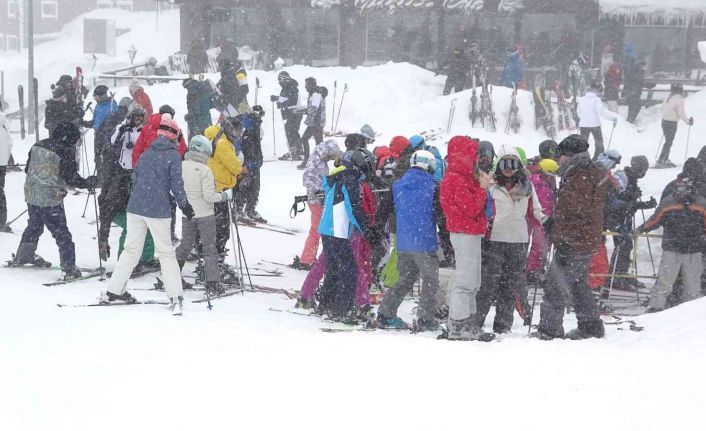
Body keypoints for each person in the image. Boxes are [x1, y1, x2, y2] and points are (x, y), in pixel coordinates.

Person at [100, 115, 195, 315]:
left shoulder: (146, 153)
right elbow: (176, 186)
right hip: (157, 210)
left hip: (135, 207)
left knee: (131, 250)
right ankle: (175, 296)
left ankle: (114, 291)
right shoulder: (173, 156)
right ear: (173, 135)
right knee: (167, 254)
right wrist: (185, 206)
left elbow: (136, 177)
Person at [534, 135, 607, 340]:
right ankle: (590, 325)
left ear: (570, 155)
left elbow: (575, 211)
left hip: (574, 241)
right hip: (584, 239)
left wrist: (561, 232)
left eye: (562, 156)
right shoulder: (589, 172)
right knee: (577, 284)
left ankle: (549, 330)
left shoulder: (580, 176)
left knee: (555, 284)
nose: (559, 161)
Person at [12, 123, 98, 278]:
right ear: (69, 138)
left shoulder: (38, 145)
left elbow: (27, 169)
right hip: (50, 198)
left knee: (34, 225)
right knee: (62, 234)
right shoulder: (64, 151)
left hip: (31, 193)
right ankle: (69, 268)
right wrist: (86, 182)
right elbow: (70, 177)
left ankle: (25, 255)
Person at [476, 148, 546, 333]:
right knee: (488, 284)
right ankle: (476, 321)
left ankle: (503, 325)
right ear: (498, 165)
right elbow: (480, 208)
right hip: (495, 240)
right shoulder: (490, 185)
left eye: (513, 164)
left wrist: (547, 221)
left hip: (519, 241)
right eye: (504, 164)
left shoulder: (527, 187)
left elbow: (535, 211)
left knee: (509, 285)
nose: (508, 169)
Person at [376, 150, 440, 331]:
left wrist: (376, 229)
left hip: (403, 241)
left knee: (405, 278)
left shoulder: (398, 184)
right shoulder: (433, 186)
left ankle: (385, 313)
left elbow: (384, 209)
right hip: (424, 241)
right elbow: (440, 215)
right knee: (430, 280)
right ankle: (425, 318)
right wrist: (445, 237)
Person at [439, 136, 494, 341]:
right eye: (474, 155)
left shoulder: (461, 177)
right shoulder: (455, 178)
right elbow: (471, 208)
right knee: (465, 281)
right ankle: (458, 324)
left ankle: (467, 323)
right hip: (464, 232)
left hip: (469, 232)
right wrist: (482, 188)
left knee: (473, 280)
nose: (478, 159)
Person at [636, 173, 706, 313]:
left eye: (683, 187)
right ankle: (655, 307)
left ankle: (690, 313)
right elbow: (655, 220)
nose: (680, 190)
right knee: (664, 281)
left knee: (693, 286)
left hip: (693, 250)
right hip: (672, 249)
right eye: (679, 187)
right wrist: (641, 229)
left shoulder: (701, 203)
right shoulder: (669, 202)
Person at [97, 106, 156, 270]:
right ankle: (125, 261)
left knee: (147, 225)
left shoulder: (144, 131)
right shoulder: (123, 130)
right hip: (120, 204)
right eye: (135, 118)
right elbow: (107, 207)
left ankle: (146, 257)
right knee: (132, 227)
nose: (137, 121)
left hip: (137, 170)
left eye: (140, 118)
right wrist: (103, 238)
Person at [316, 151, 369, 321]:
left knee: (333, 268)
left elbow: (327, 188)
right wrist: (366, 229)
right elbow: (353, 208)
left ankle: (326, 304)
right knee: (349, 271)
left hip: (327, 228)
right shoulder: (350, 180)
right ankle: (341, 310)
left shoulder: (337, 177)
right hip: (337, 230)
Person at [176, 135, 232, 295]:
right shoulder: (205, 170)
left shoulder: (181, 165)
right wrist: (224, 196)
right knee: (209, 247)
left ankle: (173, 275)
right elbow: (209, 196)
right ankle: (212, 282)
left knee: (185, 245)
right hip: (205, 214)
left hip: (188, 213)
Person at [604, 155, 655, 291]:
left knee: (627, 245)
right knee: (623, 245)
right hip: (616, 217)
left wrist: (643, 204)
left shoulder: (632, 178)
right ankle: (615, 277)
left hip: (624, 216)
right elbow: (613, 197)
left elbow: (630, 204)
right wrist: (630, 201)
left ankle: (621, 273)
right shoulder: (624, 176)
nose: (643, 173)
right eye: (643, 169)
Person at [292, 139, 341, 271]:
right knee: (317, 230)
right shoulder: (316, 160)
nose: (331, 159)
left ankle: (308, 258)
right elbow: (308, 178)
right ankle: (307, 259)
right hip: (316, 201)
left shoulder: (320, 159)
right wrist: (319, 192)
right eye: (331, 156)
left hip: (317, 199)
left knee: (317, 230)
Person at [203, 118, 244, 257]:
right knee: (222, 227)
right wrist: (240, 165)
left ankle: (208, 252)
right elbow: (235, 167)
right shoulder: (223, 144)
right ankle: (216, 257)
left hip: (212, 185)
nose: (237, 135)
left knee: (212, 223)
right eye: (236, 131)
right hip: (221, 188)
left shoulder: (213, 137)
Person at [235, 106, 265, 223]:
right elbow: (241, 145)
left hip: (255, 162)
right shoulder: (246, 126)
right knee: (244, 186)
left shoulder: (256, 126)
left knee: (255, 187)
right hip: (246, 163)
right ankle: (238, 210)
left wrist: (258, 160)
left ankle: (250, 209)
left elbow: (256, 146)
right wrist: (244, 163)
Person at [576, 81, 618, 160]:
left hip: (584, 125)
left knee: (583, 144)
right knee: (599, 144)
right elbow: (601, 112)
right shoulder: (596, 99)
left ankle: (582, 159)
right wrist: (612, 118)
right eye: (600, 91)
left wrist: (584, 118)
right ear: (597, 90)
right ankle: (597, 159)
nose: (601, 93)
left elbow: (578, 112)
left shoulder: (583, 99)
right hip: (595, 125)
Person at [657, 83, 693, 168]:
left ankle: (664, 158)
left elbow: (662, 109)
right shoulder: (679, 99)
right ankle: (662, 159)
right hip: (671, 123)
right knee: (669, 142)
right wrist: (687, 121)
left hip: (664, 122)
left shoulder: (668, 98)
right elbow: (681, 112)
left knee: (668, 141)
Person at [272, 71, 304, 161]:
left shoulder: (292, 87)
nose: (279, 82)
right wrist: (279, 102)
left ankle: (294, 151)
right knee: (293, 130)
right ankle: (298, 149)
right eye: (278, 79)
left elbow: (292, 100)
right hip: (292, 112)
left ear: (286, 79)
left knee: (290, 130)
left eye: (280, 79)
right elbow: (285, 99)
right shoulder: (286, 87)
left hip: (296, 111)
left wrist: (279, 100)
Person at [299, 77, 326, 169]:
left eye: (306, 85)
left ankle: (308, 161)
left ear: (310, 85)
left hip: (315, 123)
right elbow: (314, 108)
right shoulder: (313, 93)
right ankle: (320, 162)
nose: (305, 87)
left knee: (306, 139)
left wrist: (307, 113)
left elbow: (315, 109)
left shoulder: (315, 94)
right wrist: (305, 110)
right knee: (319, 142)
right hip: (315, 122)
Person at [183, 76, 216, 141]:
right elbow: (210, 104)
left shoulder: (192, 93)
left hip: (198, 122)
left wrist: (189, 116)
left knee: (198, 141)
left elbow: (196, 109)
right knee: (209, 138)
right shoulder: (202, 89)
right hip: (207, 119)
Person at [0, 112, 12, 232]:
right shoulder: (3, 124)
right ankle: (1, 221)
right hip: (2, 164)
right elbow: (10, 144)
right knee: (0, 192)